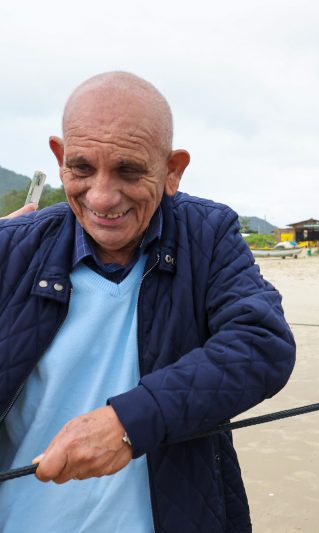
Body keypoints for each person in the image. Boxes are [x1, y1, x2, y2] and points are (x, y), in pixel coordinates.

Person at [0, 72, 296, 532]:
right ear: (59, 159)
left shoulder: (208, 233)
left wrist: (129, 421)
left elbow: (263, 343)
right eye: (81, 168)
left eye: (129, 171)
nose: (102, 197)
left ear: (173, 169)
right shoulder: (11, 247)